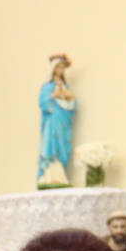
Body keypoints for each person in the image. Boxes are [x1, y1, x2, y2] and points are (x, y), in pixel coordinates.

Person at [38, 54, 76, 188]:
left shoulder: (65, 86)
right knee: (51, 144)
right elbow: (43, 101)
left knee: (62, 146)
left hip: (63, 120)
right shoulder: (48, 86)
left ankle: (61, 176)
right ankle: (49, 176)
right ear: (53, 69)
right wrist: (54, 95)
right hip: (53, 119)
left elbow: (72, 102)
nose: (61, 70)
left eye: (62, 68)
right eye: (58, 67)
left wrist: (66, 97)